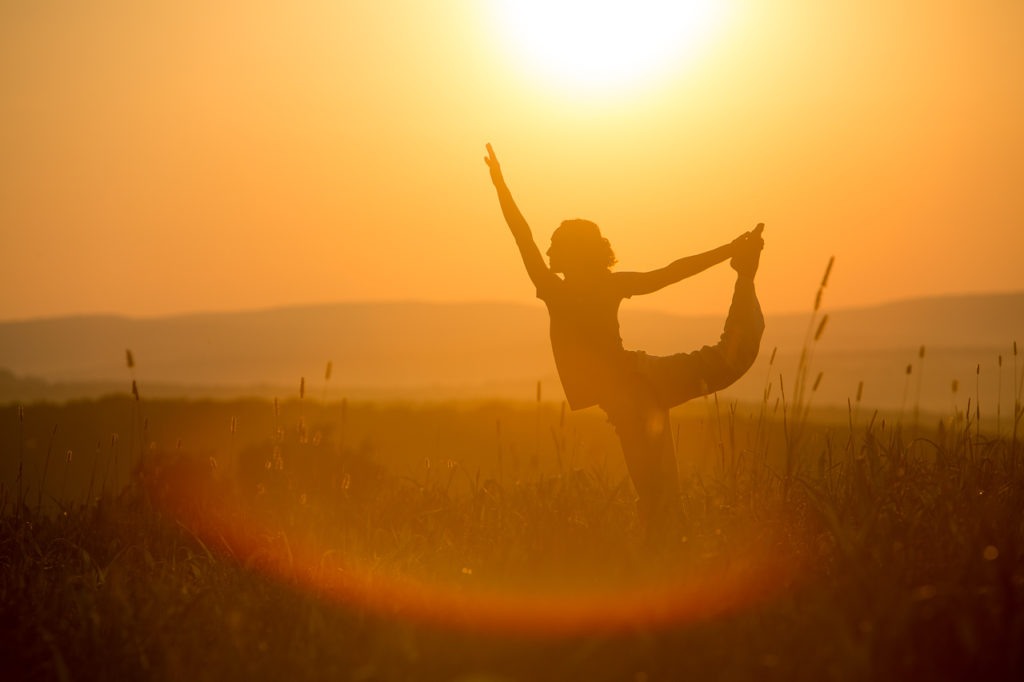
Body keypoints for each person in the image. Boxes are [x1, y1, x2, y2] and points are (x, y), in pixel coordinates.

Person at [484, 143, 765, 536]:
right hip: (641, 382)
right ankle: (746, 274)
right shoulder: (602, 285)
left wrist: (500, 185)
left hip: (634, 393)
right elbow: (671, 272)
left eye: (556, 245)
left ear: (574, 253)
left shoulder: (557, 290)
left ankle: (663, 562)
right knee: (720, 367)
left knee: (657, 498)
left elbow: (522, 234)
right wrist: (728, 251)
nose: (547, 251)